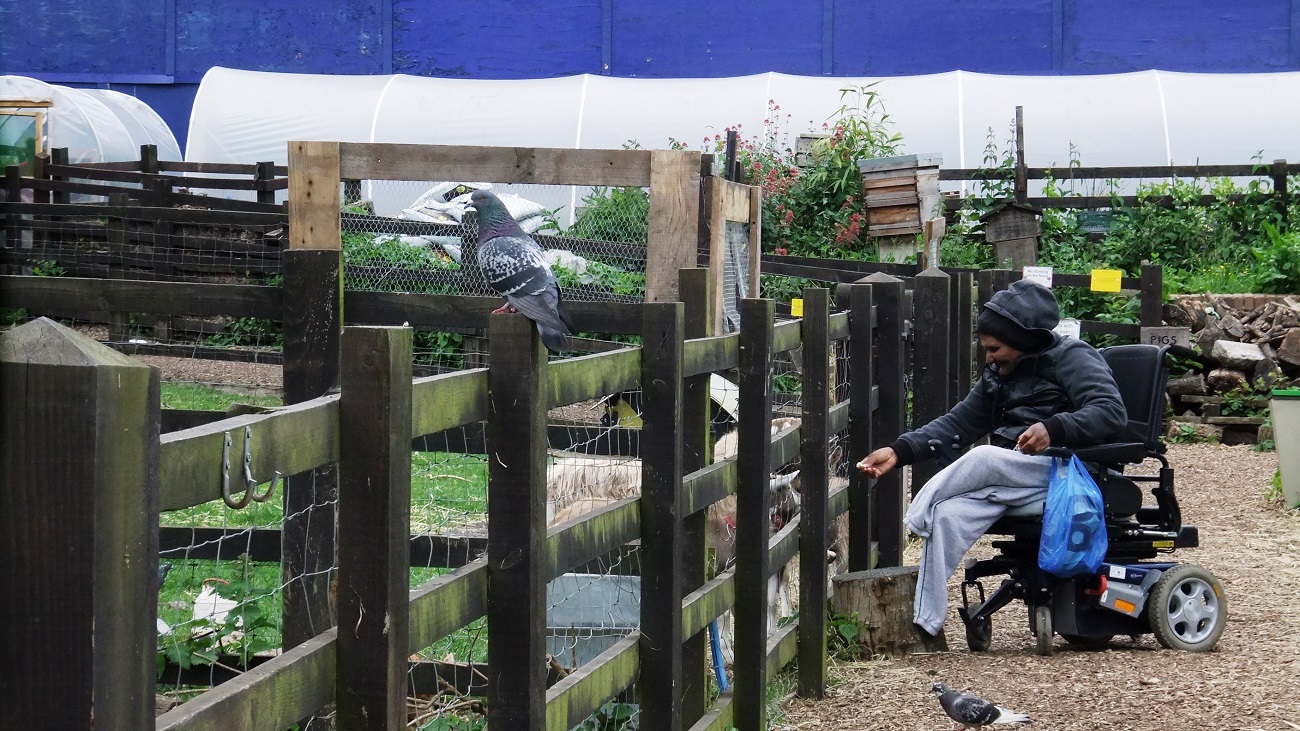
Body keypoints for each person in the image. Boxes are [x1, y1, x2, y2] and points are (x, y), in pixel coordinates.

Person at [856, 279, 1127, 636]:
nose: (988, 358)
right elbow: (959, 423)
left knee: (983, 457)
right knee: (948, 515)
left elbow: (1111, 412)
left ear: (1023, 340)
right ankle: (926, 623)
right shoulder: (997, 375)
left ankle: (914, 518)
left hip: (1068, 474)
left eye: (995, 348)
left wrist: (1054, 428)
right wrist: (899, 450)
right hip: (1016, 476)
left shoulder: (1074, 358)